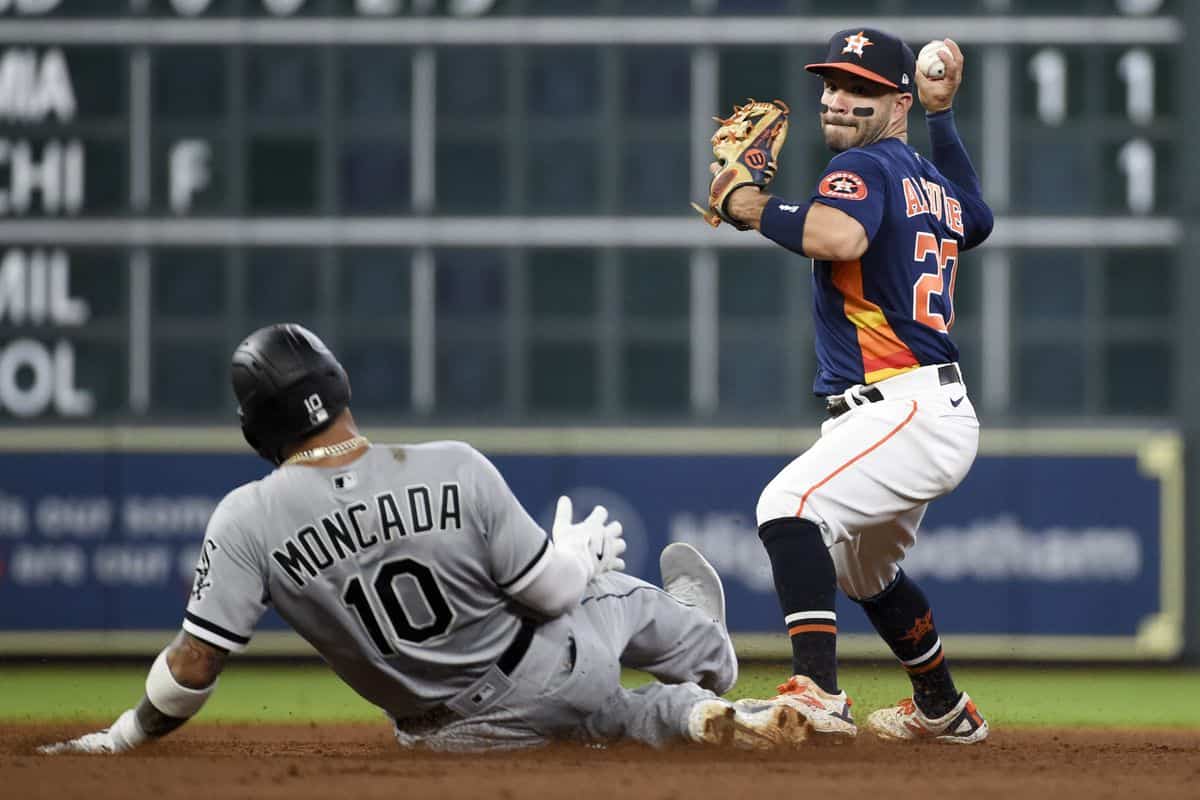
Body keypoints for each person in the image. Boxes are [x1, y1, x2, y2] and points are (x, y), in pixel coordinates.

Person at [39, 323, 808, 755]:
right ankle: (714, 656)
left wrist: (121, 738)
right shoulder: (452, 466)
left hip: (446, 738)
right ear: (338, 385)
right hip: (545, 670)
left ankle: (694, 718)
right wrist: (571, 559)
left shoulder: (245, 519)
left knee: (597, 718)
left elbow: (195, 663)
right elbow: (548, 594)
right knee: (612, 595)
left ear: (256, 428)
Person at [714, 29, 993, 743]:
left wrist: (748, 206)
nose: (838, 100)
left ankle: (818, 693)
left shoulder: (862, 168)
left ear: (893, 102)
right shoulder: (928, 181)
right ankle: (943, 707)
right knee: (865, 574)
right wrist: (944, 115)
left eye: (861, 89)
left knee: (787, 506)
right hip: (917, 406)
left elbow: (838, 238)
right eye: (832, 84)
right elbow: (977, 217)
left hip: (904, 404)